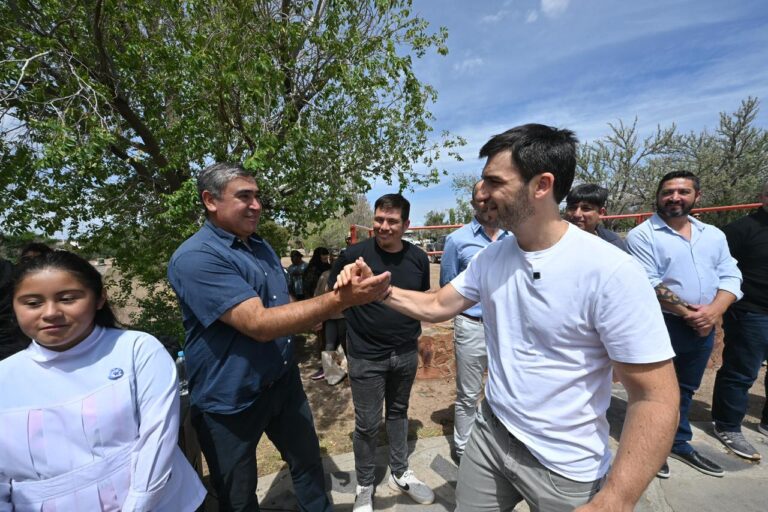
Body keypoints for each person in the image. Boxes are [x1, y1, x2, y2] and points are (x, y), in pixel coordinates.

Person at [337, 124, 679, 512]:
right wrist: (377, 288)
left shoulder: (612, 271)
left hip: (565, 468)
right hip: (490, 437)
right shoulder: (492, 258)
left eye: (493, 181)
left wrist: (617, 498)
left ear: (541, 185)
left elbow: (655, 398)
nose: (480, 192)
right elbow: (435, 306)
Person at [166, 162, 390, 512]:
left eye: (257, 196)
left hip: (283, 383)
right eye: (244, 196)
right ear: (210, 200)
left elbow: (282, 303)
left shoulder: (260, 246)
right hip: (230, 399)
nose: (257, 205)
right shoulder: (197, 257)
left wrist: (330, 308)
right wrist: (339, 300)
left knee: (307, 465)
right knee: (237, 495)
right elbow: (258, 323)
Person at [0, 250, 206, 511]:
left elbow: (157, 439)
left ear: (99, 298)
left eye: (67, 299)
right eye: (32, 303)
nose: (50, 313)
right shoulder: (5, 377)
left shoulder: (135, 349)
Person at [626, 170, 743, 478]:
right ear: (658, 196)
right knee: (651, 390)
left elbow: (731, 275)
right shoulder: (643, 235)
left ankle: (677, 441)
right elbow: (647, 281)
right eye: (667, 192)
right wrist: (692, 314)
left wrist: (714, 313)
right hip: (662, 323)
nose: (674, 197)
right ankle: (651, 447)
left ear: (696, 197)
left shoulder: (713, 235)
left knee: (687, 389)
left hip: (703, 325)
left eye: (683, 192)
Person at [327, 193, 434, 511]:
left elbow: (422, 301)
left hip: (404, 353)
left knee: (399, 413)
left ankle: (400, 473)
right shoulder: (353, 254)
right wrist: (345, 283)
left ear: (406, 225)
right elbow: (333, 298)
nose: (383, 226)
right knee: (367, 424)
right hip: (365, 356)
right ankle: (364, 484)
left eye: (392, 221)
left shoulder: (418, 258)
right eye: (379, 220)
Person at [439, 180, 508, 464]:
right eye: (481, 198)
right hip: (472, 325)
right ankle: (464, 448)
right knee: (468, 393)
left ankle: (502, 443)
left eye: (493, 197)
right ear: (472, 202)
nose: (488, 203)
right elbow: (448, 286)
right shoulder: (457, 240)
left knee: (506, 389)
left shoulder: (515, 236)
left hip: (508, 328)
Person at [711, 180, 768, 460]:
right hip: (752, 312)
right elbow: (719, 269)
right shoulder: (740, 230)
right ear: (763, 196)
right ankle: (728, 425)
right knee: (741, 371)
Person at [564, 183, 627, 251]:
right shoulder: (554, 241)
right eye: (572, 208)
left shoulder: (612, 244)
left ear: (600, 213)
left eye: (586, 209)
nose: (577, 214)